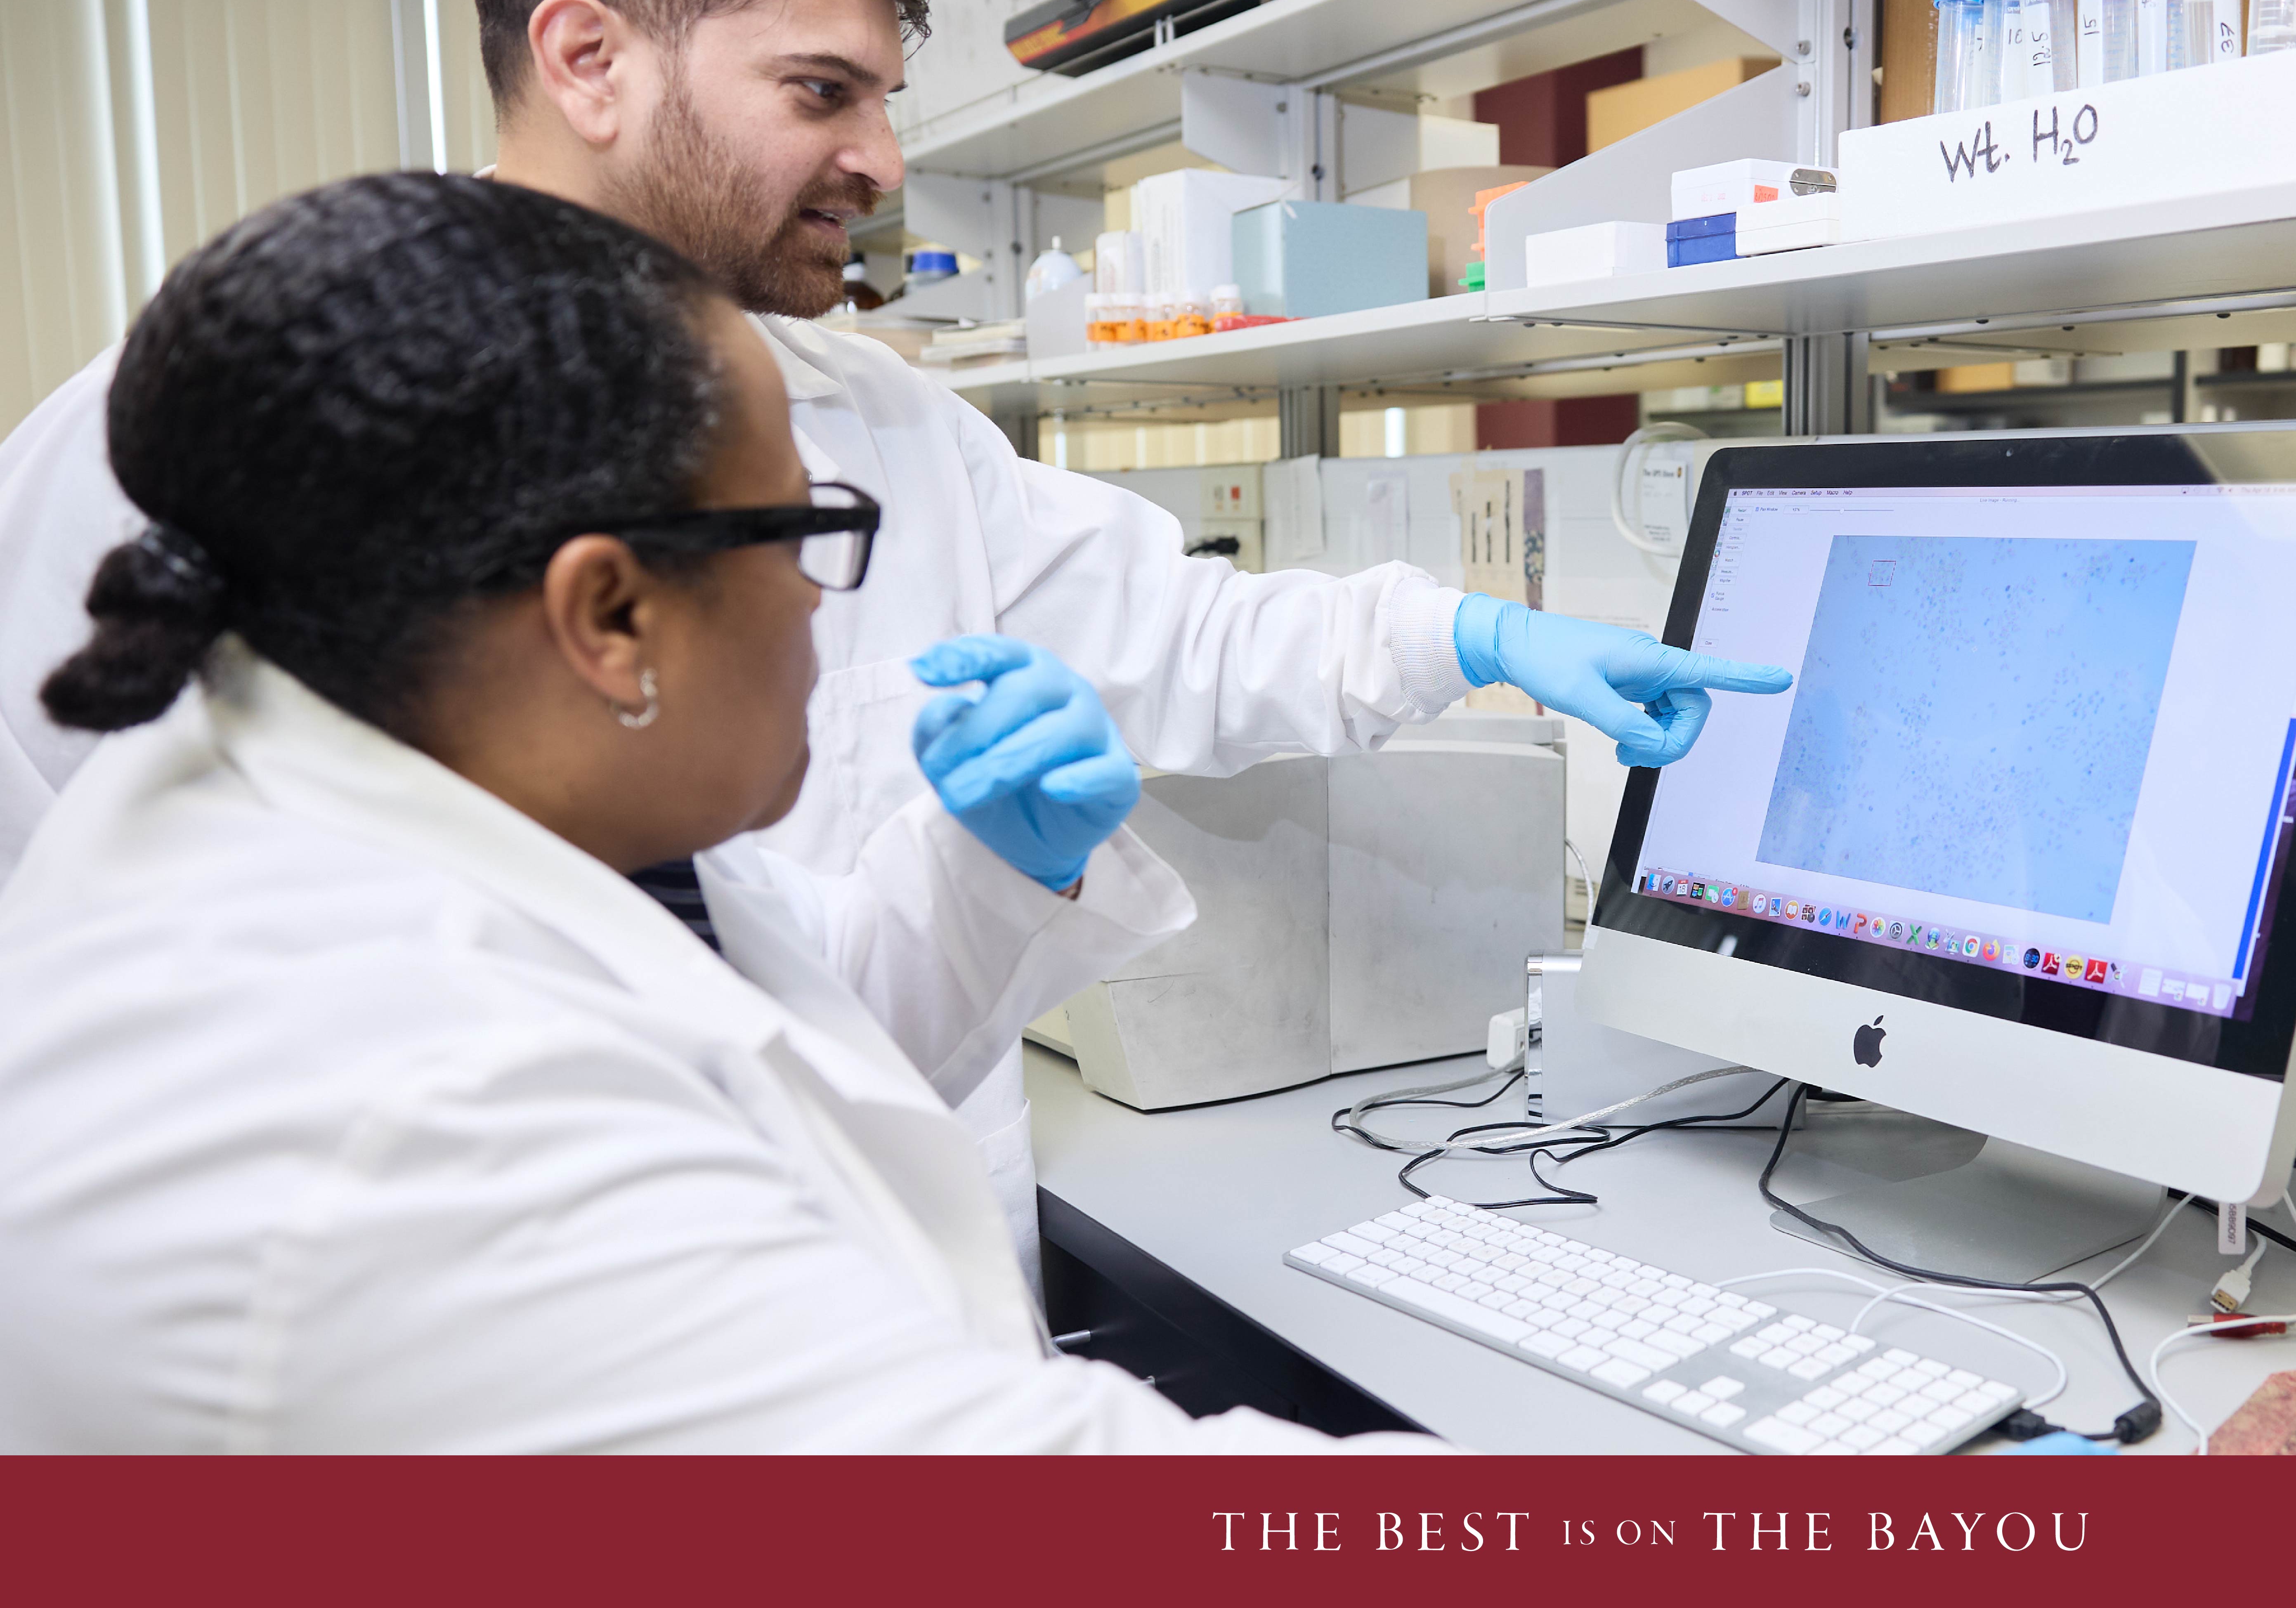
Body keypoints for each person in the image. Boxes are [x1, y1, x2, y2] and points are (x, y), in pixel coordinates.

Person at [0, 0, 1792, 1285]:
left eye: (884, 98)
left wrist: (1476, 638)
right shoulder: (218, 433)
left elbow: (1173, 639)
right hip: (472, 1324)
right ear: (587, 58)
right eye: (818, 90)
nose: (879, 163)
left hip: (886, 1275)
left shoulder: (880, 420)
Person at [0, 172, 1434, 1451]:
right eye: (808, 529)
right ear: (610, 613)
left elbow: (799, 1011)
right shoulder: (409, 1102)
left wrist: (999, 861)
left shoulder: (355, 771)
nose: (825, 594)